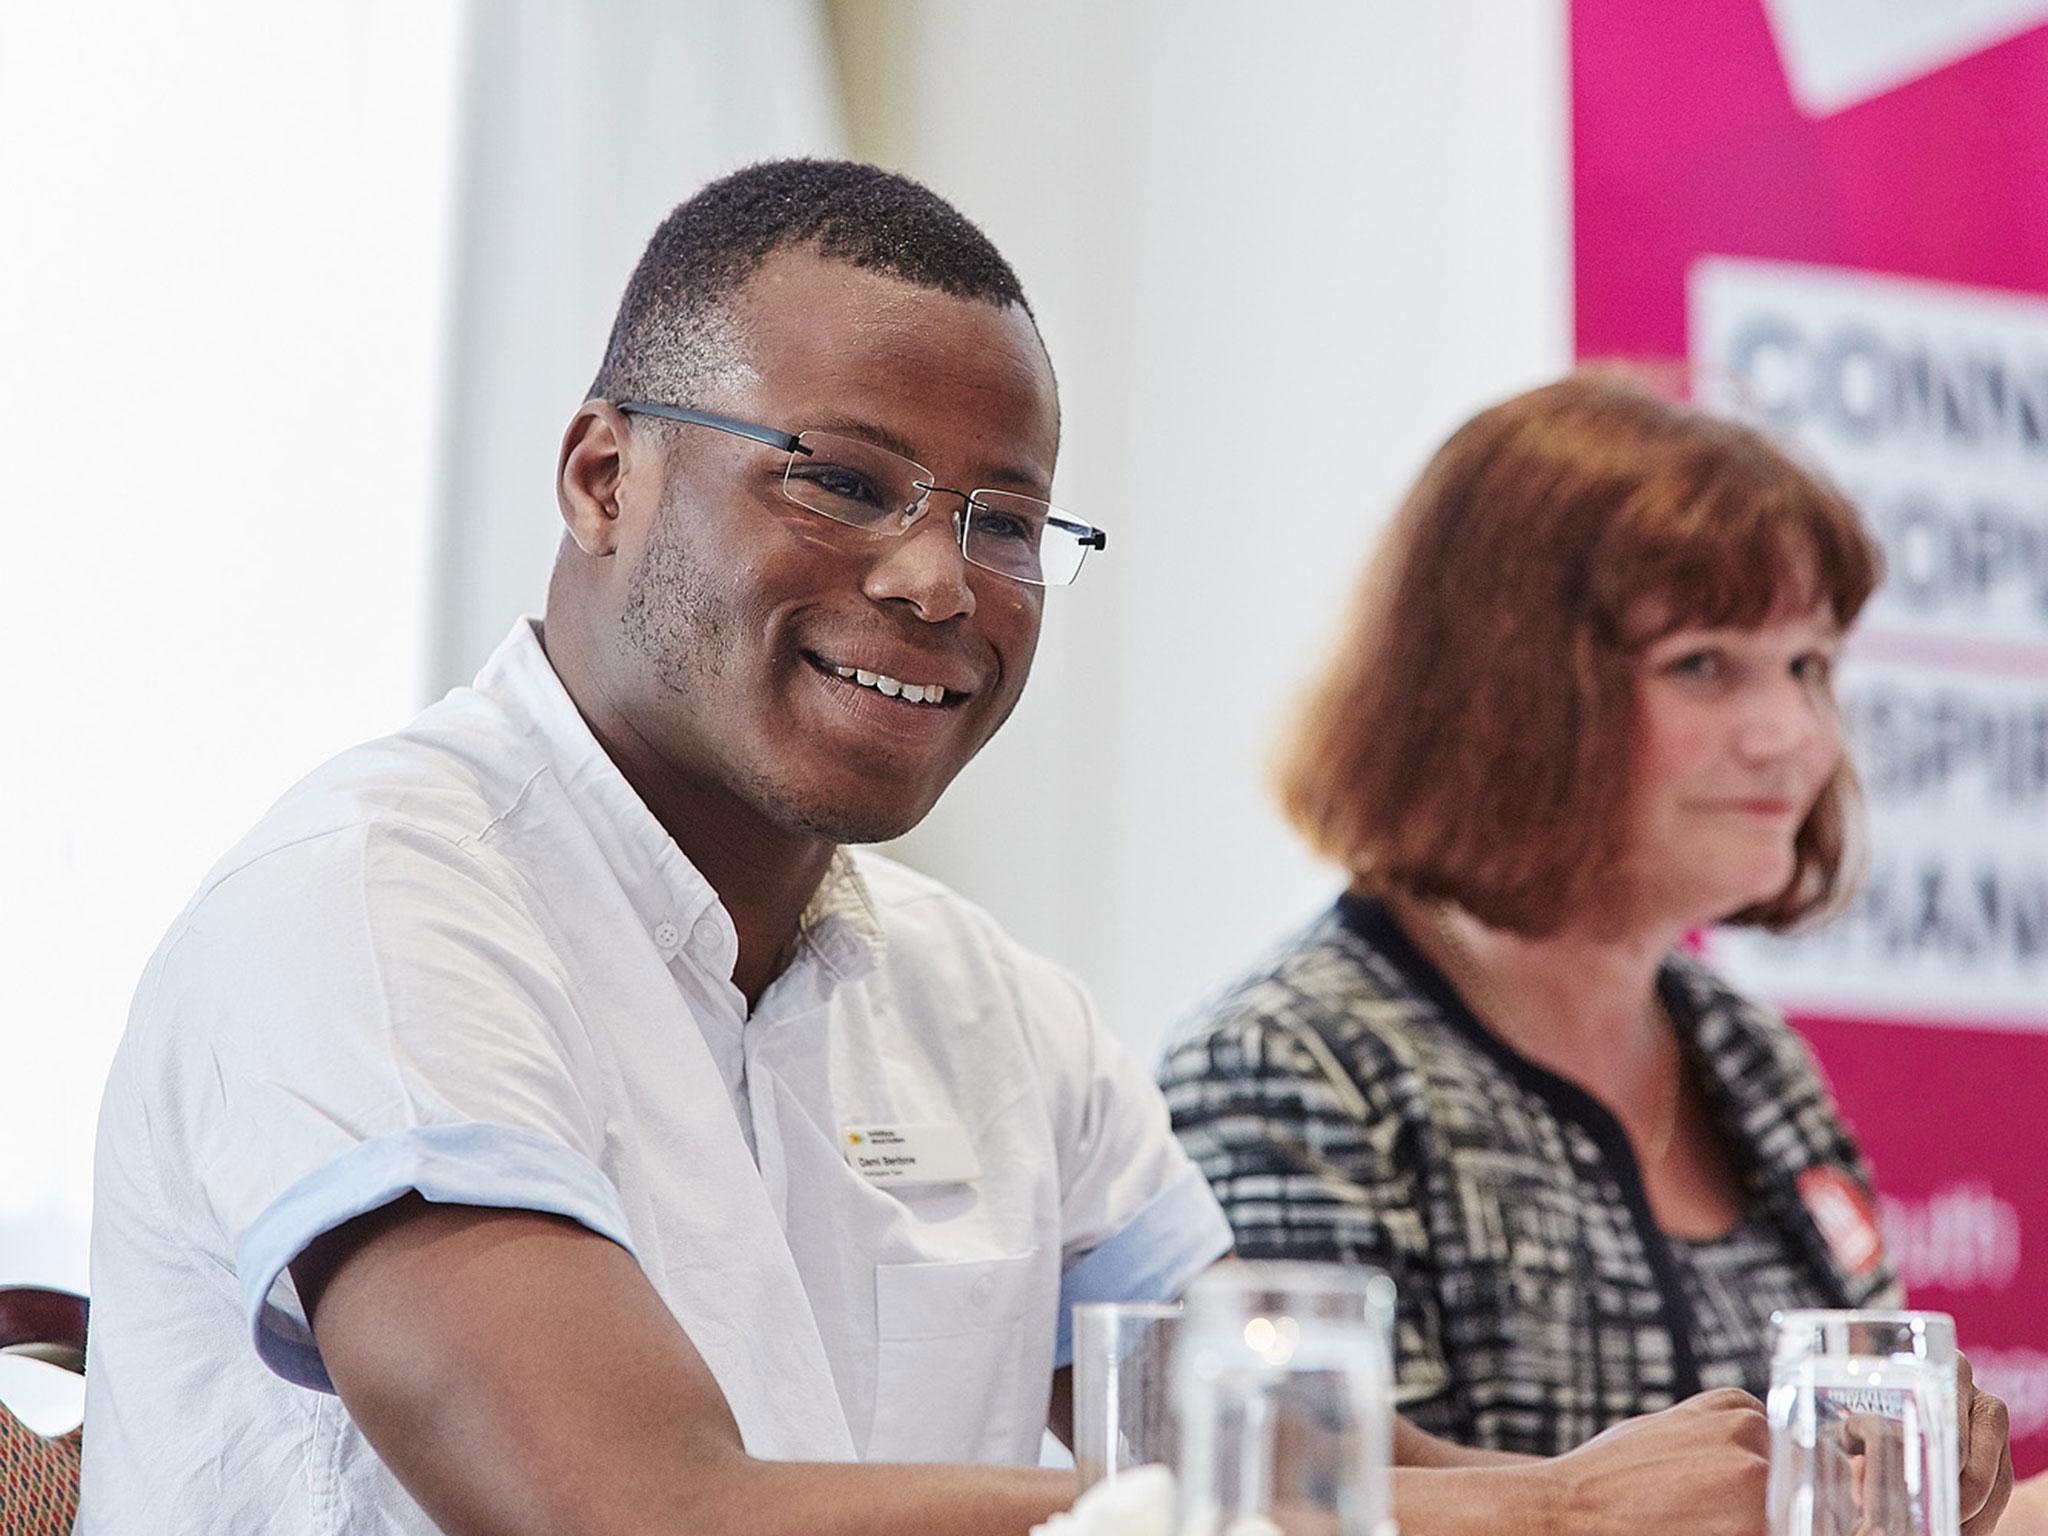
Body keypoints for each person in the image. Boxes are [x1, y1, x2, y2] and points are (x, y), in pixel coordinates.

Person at [73, 168, 1988, 1536]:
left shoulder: (990, 1006)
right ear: (602, 474)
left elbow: (1294, 1455)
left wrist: (1734, 1481)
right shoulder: (379, 906)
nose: (933, 579)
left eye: (1006, 523)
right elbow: (636, 1509)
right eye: (840, 479)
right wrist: (1557, 1523)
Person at [1159, 372, 2013, 1530]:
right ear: (1504, 694)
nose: (1791, 736)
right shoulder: (1286, 1071)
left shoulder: (1746, 1053)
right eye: (1703, 664)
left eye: (1808, 665)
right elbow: (1307, 1513)